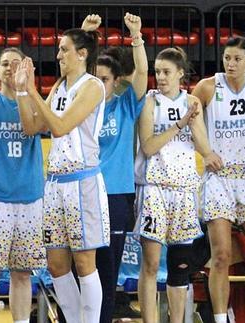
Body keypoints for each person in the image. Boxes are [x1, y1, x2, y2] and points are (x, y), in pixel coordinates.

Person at [15, 23, 108, 323]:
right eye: (58, 50)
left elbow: (60, 126)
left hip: (82, 181)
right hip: (54, 182)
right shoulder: (58, 87)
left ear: (82, 54)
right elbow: (32, 128)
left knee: (84, 263)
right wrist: (21, 92)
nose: (58, 55)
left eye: (64, 49)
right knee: (56, 265)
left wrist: (32, 90)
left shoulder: (93, 86)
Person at [134, 47, 222, 323]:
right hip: (154, 187)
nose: (160, 77)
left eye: (166, 72)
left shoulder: (191, 101)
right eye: (157, 71)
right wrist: (179, 124)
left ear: (180, 74)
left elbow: (204, 147)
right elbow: (148, 147)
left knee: (180, 266)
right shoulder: (150, 102)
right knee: (149, 264)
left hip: (184, 189)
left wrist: (206, 147)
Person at [192, 36, 245, 323]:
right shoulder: (208, 87)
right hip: (219, 178)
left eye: (237, 58)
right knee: (221, 255)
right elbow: (192, 120)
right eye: (226, 58)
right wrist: (205, 150)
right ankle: (222, 319)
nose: (231, 63)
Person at [0, 48, 45, 323]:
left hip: (30, 196)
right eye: (4, 64)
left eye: (16, 63)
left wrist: (27, 90)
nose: (10, 68)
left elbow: (33, 128)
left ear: (27, 68)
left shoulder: (37, 103)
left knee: (22, 272)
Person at [89, 12, 148, 323]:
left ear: (115, 81)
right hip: (83, 193)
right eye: (94, 78)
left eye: (105, 79)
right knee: (83, 269)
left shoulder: (125, 104)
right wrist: (86, 35)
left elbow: (141, 74)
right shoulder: (80, 107)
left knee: (108, 269)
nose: (99, 84)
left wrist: (135, 36)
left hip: (116, 195)